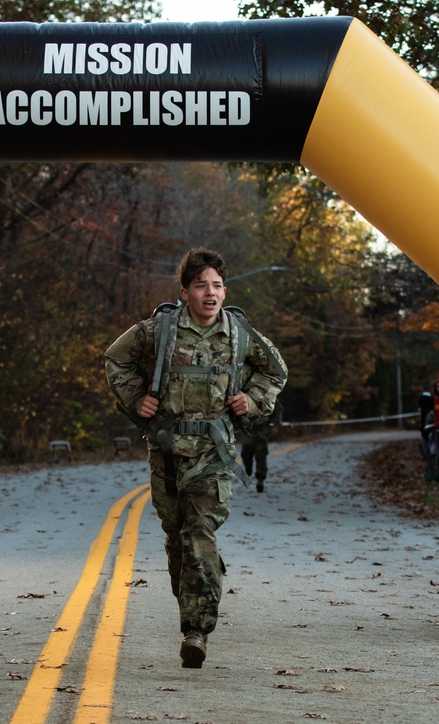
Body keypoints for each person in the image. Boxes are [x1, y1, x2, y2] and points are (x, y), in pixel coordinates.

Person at [105, 247, 287, 669]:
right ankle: (195, 602)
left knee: (199, 530)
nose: (211, 293)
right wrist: (136, 400)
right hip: (166, 452)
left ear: (225, 291)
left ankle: (197, 629)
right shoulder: (159, 330)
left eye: (218, 285)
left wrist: (252, 399)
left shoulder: (241, 335)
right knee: (177, 536)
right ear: (185, 290)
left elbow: (275, 372)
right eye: (202, 285)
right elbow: (116, 359)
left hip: (214, 453)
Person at [239, 399, 283, 493]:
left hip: (262, 428)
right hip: (247, 428)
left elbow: (277, 408)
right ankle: (248, 466)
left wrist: (275, 424)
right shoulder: (245, 389)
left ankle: (260, 479)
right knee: (246, 453)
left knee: (261, 454)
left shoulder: (268, 391)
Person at [417, 391, 436, 482]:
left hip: (432, 435)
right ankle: (430, 471)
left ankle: (435, 473)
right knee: (427, 454)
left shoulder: (432, 411)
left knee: (434, 455)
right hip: (425, 436)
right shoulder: (421, 412)